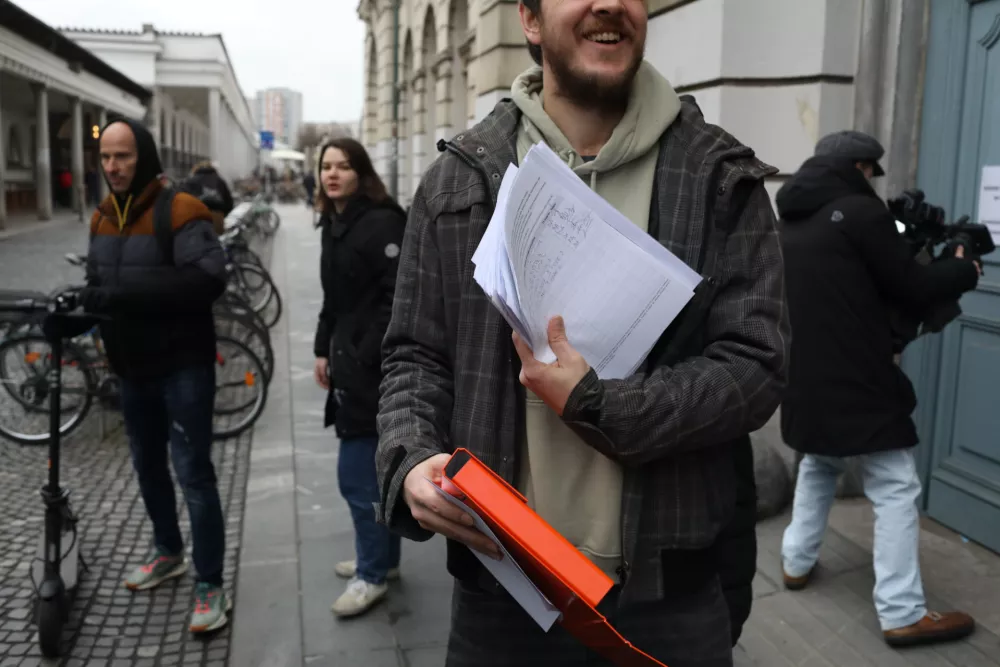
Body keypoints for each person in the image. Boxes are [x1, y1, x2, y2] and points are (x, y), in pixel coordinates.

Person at [374, 0, 789, 664]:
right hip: (503, 586)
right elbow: (414, 355)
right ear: (530, 21)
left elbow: (756, 366)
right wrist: (410, 455)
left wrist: (598, 403)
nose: (609, 4)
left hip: (665, 597)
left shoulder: (717, 177)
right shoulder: (460, 178)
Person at [776, 130, 980, 647]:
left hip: (804, 372)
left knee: (819, 462)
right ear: (860, 168)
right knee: (895, 484)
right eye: (872, 173)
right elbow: (912, 287)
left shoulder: (792, 217)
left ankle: (795, 562)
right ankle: (902, 611)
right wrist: (961, 268)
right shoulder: (858, 213)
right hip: (857, 375)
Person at [79, 119, 231, 634]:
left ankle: (210, 580)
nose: (113, 167)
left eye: (122, 156)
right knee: (147, 468)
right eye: (105, 158)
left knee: (194, 474)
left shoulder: (182, 209)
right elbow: (97, 284)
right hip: (131, 370)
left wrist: (120, 298)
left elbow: (207, 279)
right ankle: (168, 551)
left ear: (142, 156)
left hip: (182, 368)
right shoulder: (100, 218)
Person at [312, 137, 406, 618]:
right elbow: (334, 299)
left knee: (358, 477)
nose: (332, 175)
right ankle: (383, 560)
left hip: (374, 369)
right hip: (349, 361)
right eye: (326, 166)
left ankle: (371, 575)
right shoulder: (335, 223)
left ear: (360, 173)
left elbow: (399, 299)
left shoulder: (382, 222)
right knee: (371, 469)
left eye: (343, 167)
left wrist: (365, 354)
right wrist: (321, 348)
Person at [182, 162, 235, 235]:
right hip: (216, 217)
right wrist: (221, 214)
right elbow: (229, 202)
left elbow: (183, 201)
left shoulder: (190, 181)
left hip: (196, 218)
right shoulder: (219, 180)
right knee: (216, 241)